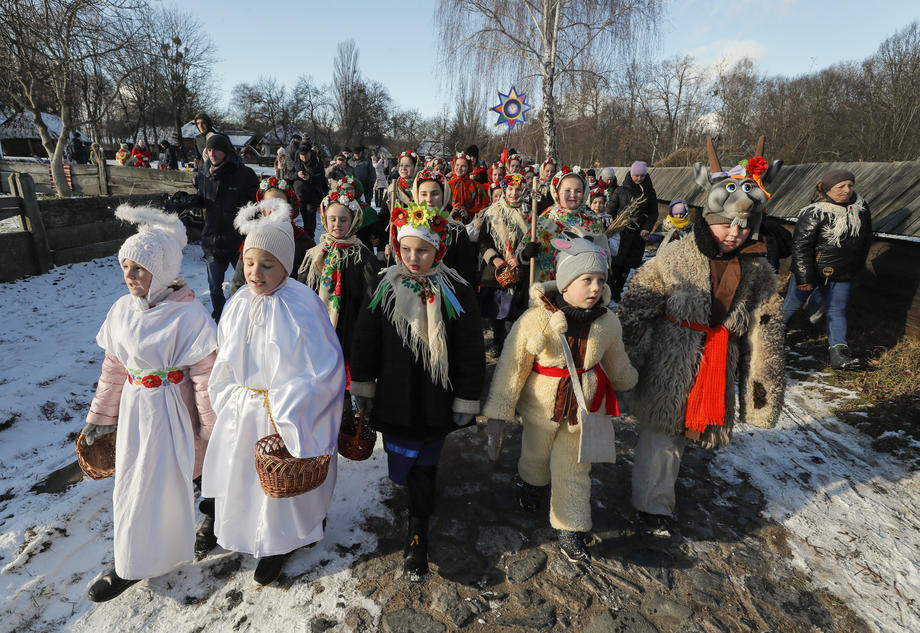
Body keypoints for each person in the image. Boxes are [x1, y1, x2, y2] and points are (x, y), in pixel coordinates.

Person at [617, 171, 785, 538]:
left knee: (684, 433)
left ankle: (658, 492)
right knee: (662, 432)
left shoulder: (758, 270)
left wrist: (761, 391)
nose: (735, 234)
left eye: (743, 228)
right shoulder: (675, 257)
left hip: (717, 361)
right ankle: (653, 507)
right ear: (710, 221)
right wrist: (625, 362)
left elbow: (765, 332)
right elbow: (638, 306)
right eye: (728, 225)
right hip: (669, 358)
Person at [202, 199, 346, 585]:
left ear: (286, 264)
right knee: (250, 482)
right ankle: (255, 533)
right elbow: (225, 359)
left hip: (287, 413)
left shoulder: (302, 306)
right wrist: (231, 396)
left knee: (285, 485)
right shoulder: (237, 305)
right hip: (245, 411)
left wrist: (288, 401)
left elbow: (325, 368)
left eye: (267, 265)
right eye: (250, 263)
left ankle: (283, 541)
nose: (255, 273)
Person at [82, 204, 217, 602]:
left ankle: (212, 518)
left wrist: (210, 428)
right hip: (138, 412)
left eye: (138, 268)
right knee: (137, 483)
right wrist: (102, 416)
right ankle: (133, 560)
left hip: (177, 411)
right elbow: (113, 368)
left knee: (197, 474)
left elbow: (206, 376)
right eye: (125, 267)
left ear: (160, 271)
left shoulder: (188, 314)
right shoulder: (122, 311)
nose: (129, 276)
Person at [350, 201, 485, 582]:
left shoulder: (455, 289)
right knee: (404, 460)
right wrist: (363, 385)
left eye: (422, 250)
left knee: (425, 467)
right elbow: (365, 340)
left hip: (435, 399)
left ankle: (417, 530)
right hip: (394, 396)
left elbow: (470, 349)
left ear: (438, 249)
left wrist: (466, 398)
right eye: (406, 249)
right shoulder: (384, 284)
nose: (413, 258)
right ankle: (414, 495)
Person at [482, 231, 637, 562]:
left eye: (600, 279)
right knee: (536, 454)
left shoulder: (607, 322)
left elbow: (616, 359)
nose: (595, 288)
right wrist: (500, 409)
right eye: (586, 280)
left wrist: (629, 380)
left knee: (574, 468)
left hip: (584, 409)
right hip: (541, 406)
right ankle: (532, 484)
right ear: (566, 283)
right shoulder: (536, 319)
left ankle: (572, 525)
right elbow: (513, 366)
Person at [298, 190, 380, 410]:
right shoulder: (314, 254)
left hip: (350, 328)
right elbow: (303, 290)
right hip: (318, 328)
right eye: (332, 219)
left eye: (343, 219)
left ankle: (344, 414)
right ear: (324, 220)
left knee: (343, 378)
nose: (337, 224)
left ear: (354, 221)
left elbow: (372, 295)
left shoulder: (362, 256)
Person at [783, 169, 871, 369]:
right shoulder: (815, 212)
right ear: (828, 189)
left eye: (850, 185)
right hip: (811, 270)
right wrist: (804, 279)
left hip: (841, 273)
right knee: (791, 305)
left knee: (836, 311)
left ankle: (839, 355)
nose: (847, 190)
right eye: (841, 186)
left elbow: (865, 240)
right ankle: (773, 337)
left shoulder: (860, 209)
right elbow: (801, 247)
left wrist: (855, 268)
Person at [197, 133, 259, 321]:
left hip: (237, 241)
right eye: (209, 149)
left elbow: (256, 204)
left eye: (216, 149)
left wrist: (252, 229)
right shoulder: (204, 173)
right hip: (213, 240)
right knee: (215, 287)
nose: (212, 153)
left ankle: (245, 317)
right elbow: (203, 200)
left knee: (244, 284)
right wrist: (189, 201)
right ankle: (220, 318)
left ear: (225, 151)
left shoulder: (244, 174)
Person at [477, 173, 536, 355]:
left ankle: (515, 343)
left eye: (518, 190)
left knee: (515, 308)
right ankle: (497, 340)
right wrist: (495, 258)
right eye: (510, 189)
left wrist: (520, 257)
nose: (513, 193)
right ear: (504, 189)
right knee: (498, 309)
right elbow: (483, 240)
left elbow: (533, 240)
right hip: (497, 268)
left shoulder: (530, 214)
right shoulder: (492, 212)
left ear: (524, 190)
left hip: (519, 268)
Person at [525, 165, 606, 283]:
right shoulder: (546, 219)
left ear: (584, 193)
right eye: (567, 191)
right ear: (557, 192)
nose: (573, 195)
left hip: (582, 291)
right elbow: (521, 256)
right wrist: (526, 254)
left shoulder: (592, 221)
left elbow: (604, 254)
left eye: (578, 191)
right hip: (547, 289)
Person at [608, 161, 658, 301]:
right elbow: (610, 210)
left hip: (637, 234)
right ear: (631, 174)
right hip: (619, 232)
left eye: (642, 176)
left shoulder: (649, 192)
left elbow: (653, 213)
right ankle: (612, 293)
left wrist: (646, 227)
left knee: (627, 265)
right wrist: (610, 227)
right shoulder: (621, 190)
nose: (639, 179)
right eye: (636, 175)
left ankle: (617, 296)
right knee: (614, 264)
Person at [291, 141, 328, 242]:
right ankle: (308, 237)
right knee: (304, 216)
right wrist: (297, 175)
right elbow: (289, 175)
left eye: (305, 155)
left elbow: (321, 177)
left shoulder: (317, 162)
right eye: (301, 155)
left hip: (313, 195)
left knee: (311, 217)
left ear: (310, 153)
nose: (303, 157)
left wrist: (310, 178)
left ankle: (310, 237)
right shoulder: (297, 161)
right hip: (300, 195)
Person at [447, 151, 488, 223]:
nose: (459, 168)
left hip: (469, 227)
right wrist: (450, 215)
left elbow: (483, 208)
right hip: (448, 227)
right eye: (457, 165)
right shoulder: (447, 185)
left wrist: (468, 214)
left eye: (463, 166)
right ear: (453, 165)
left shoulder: (477, 187)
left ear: (468, 168)